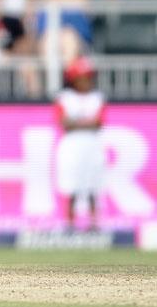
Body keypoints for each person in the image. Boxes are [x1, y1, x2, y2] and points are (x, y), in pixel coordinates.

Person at [55, 57, 106, 232]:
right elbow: (64, 123)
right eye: (83, 77)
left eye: (89, 77)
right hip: (72, 146)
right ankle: (70, 222)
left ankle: (93, 222)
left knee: (93, 184)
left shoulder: (97, 98)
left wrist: (77, 122)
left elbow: (99, 122)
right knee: (72, 185)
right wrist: (86, 122)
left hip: (92, 145)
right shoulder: (65, 97)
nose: (87, 81)